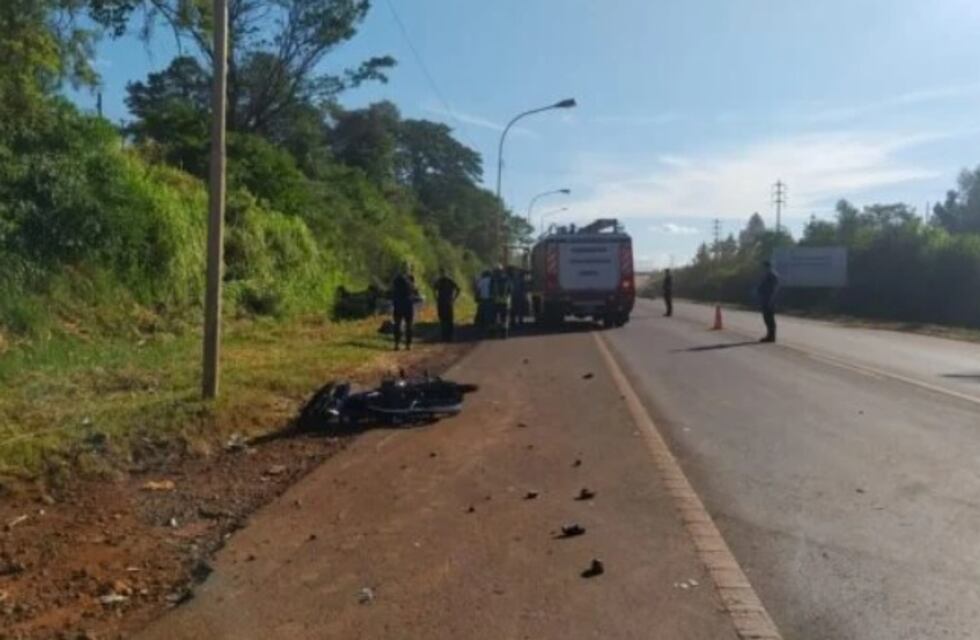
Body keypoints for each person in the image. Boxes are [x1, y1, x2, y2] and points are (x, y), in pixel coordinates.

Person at [390, 265, 417, 350]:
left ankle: (396, 344)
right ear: (407, 270)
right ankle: (408, 345)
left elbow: (391, 290)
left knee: (397, 324)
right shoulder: (410, 279)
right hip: (408, 304)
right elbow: (414, 290)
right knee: (409, 325)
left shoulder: (396, 279)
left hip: (398, 304)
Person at [433, 268, 461, 341]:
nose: (443, 274)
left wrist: (454, 298)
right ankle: (445, 336)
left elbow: (458, 289)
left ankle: (448, 336)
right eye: (442, 273)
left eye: (443, 273)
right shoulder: (440, 281)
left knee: (448, 320)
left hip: (446, 302)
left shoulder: (448, 281)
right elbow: (434, 289)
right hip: (444, 302)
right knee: (444, 320)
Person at [757, 260, 779, 343]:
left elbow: (774, 289)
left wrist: (771, 300)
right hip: (765, 299)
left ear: (767, 267)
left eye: (763, 267)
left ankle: (771, 336)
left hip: (770, 300)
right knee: (766, 318)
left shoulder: (772, 275)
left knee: (770, 318)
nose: (762, 269)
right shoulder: (766, 275)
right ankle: (769, 335)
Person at [490, 265, 513, 338]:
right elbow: (511, 290)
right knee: (504, 318)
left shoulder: (493, 279)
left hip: (496, 301)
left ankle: (494, 334)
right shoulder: (507, 279)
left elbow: (491, 291)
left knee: (495, 318)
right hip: (505, 301)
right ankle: (504, 334)